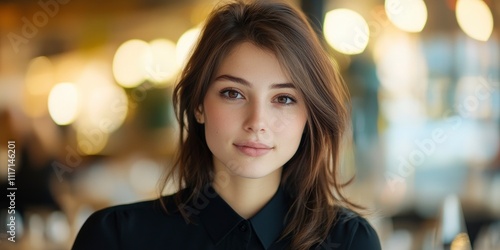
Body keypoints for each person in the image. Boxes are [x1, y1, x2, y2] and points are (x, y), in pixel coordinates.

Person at [72, 0, 382, 249]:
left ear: (309, 114)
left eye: (284, 98)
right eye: (232, 93)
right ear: (198, 106)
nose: (257, 122)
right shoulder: (116, 237)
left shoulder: (350, 241)